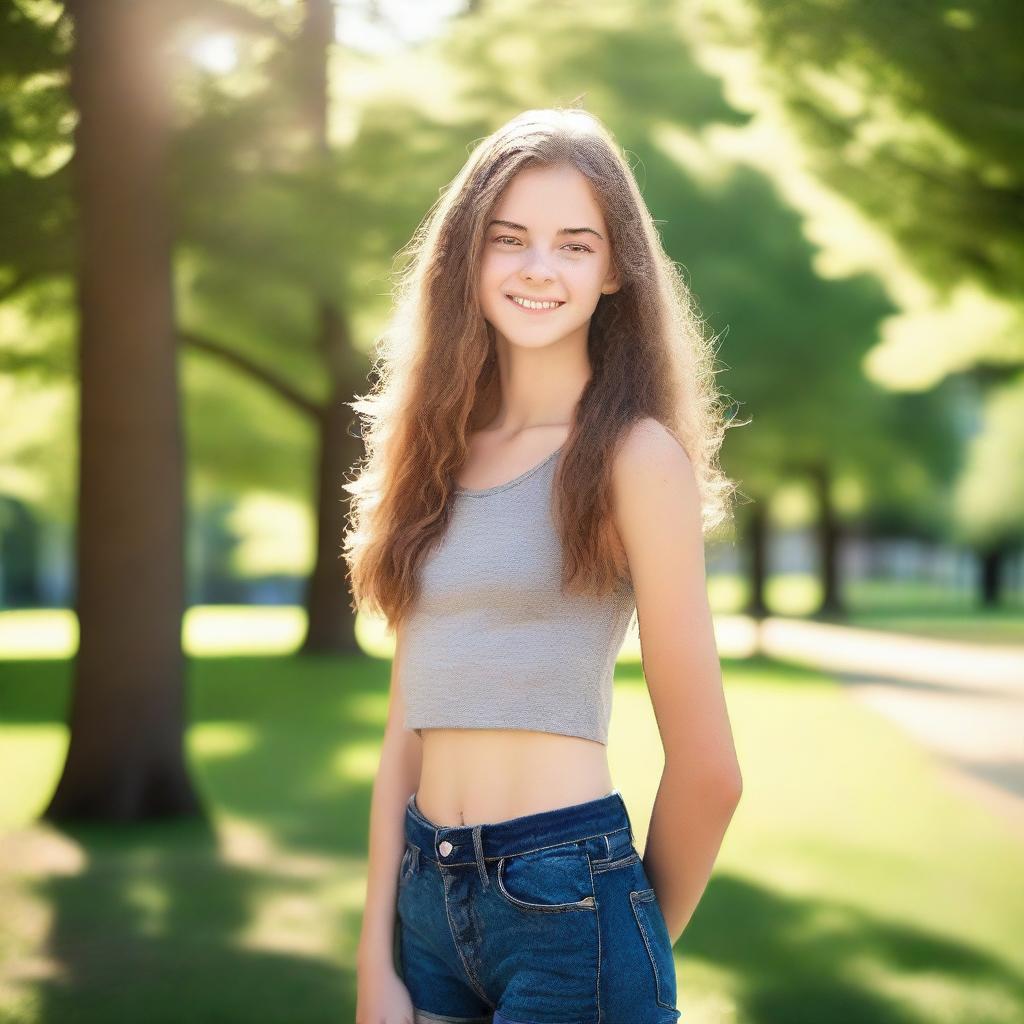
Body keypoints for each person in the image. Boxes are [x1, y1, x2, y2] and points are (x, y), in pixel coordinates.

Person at [345, 106, 743, 1024]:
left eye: (574, 244)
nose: (537, 268)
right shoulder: (431, 455)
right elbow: (405, 733)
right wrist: (375, 963)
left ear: (614, 272)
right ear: (467, 259)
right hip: (427, 903)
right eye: (509, 238)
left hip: (571, 899)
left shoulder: (634, 458)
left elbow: (710, 770)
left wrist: (628, 946)